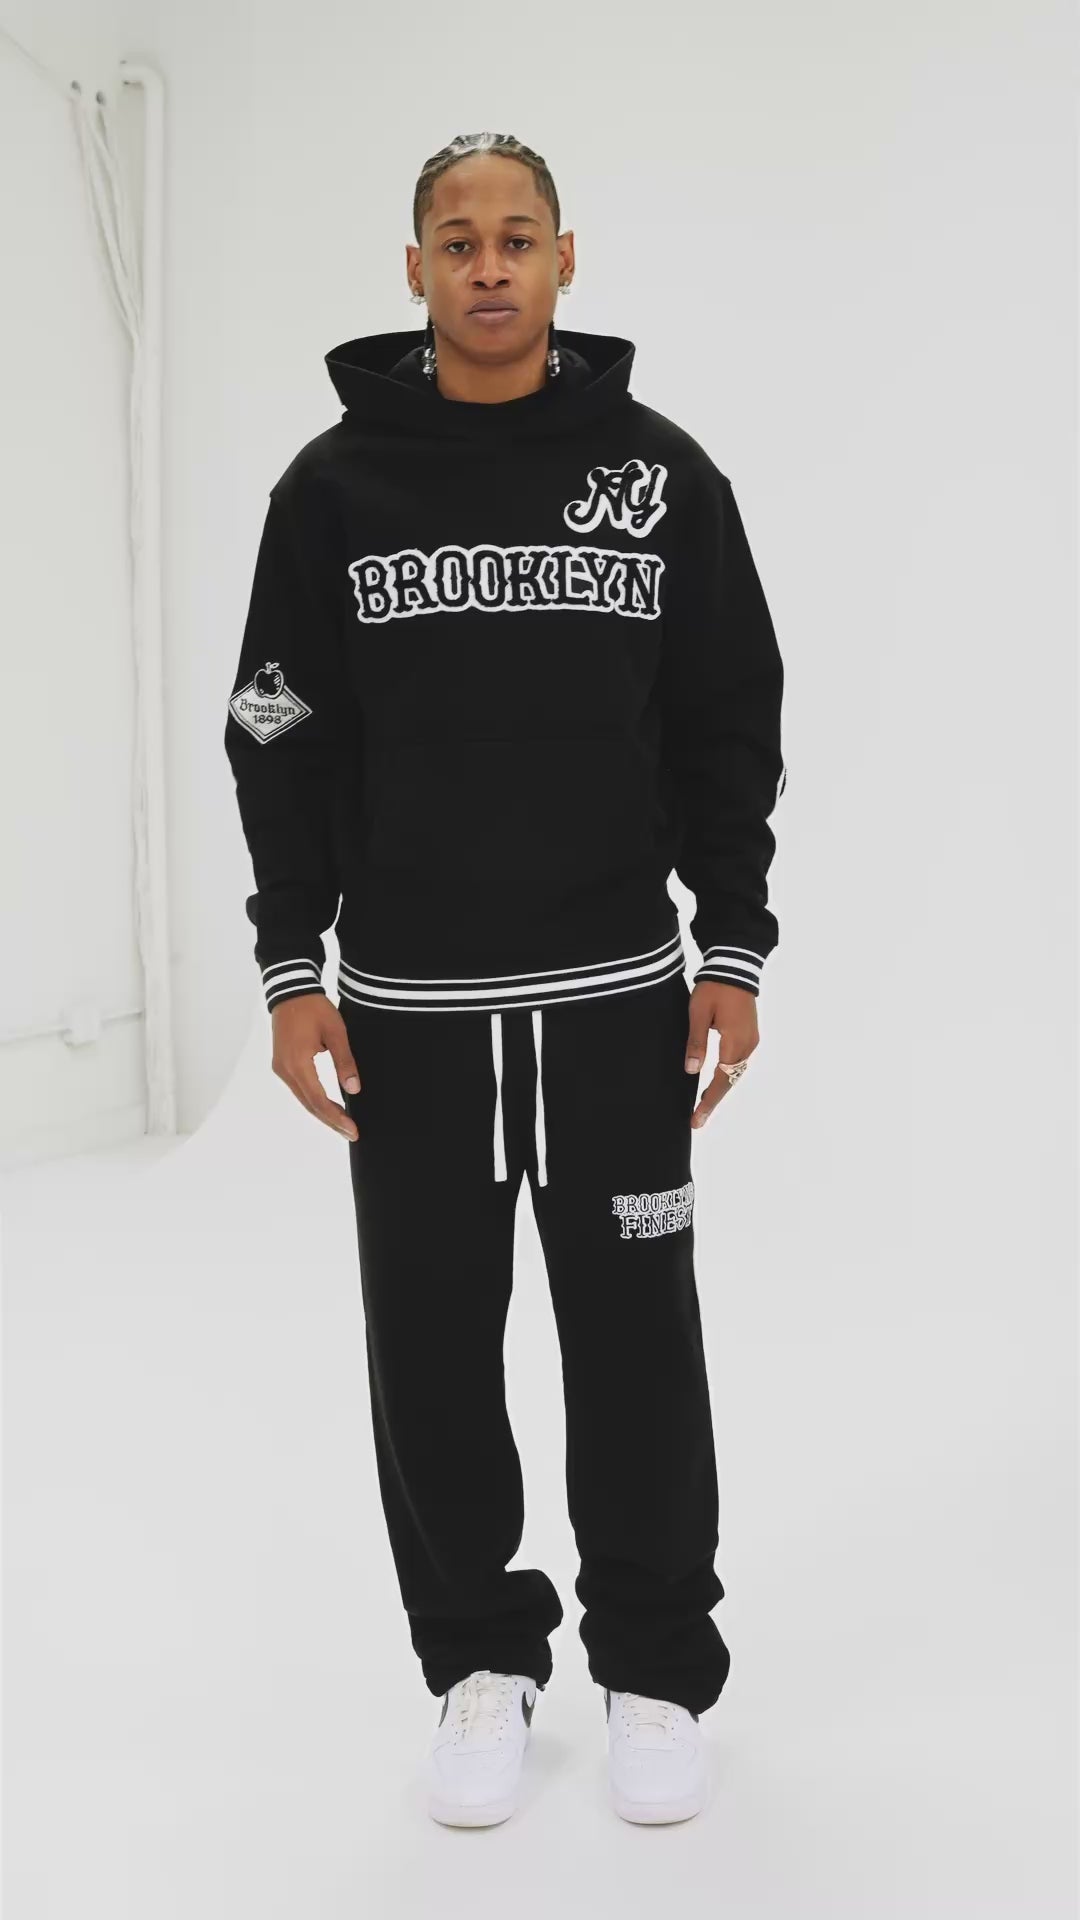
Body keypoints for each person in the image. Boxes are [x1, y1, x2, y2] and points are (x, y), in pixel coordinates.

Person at [224, 128, 785, 1829]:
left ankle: (653, 1668)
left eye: (517, 236)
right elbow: (277, 733)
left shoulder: (663, 479)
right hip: (409, 1019)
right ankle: (478, 1659)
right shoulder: (332, 492)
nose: (487, 265)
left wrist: (735, 943)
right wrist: (291, 968)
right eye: (457, 239)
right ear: (414, 269)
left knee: (638, 1347)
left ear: (563, 261)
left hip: (619, 1003)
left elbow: (728, 720)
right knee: (431, 1351)